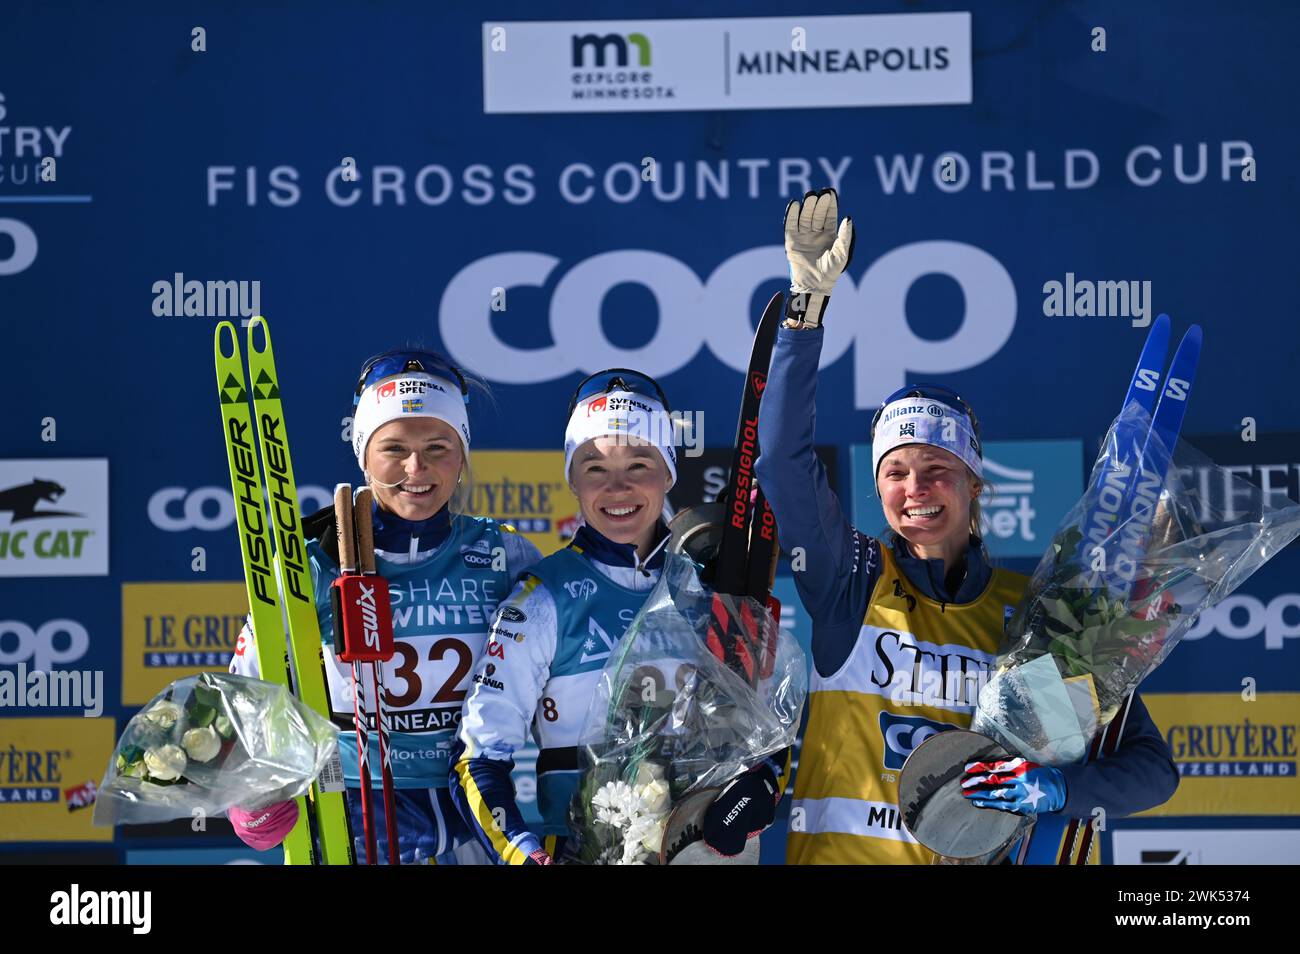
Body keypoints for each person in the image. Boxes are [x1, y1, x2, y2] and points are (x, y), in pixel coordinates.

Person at [756, 189, 1180, 864]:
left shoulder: (1029, 616)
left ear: (975, 482)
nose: (916, 489)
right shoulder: (852, 583)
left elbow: (1152, 770)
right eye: (895, 472)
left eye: (937, 468)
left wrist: (1060, 789)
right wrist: (804, 309)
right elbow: (779, 460)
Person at [450, 370, 785, 864]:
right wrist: (523, 853)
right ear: (571, 478)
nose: (618, 487)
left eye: (639, 464)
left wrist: (757, 791)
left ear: (669, 471)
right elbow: (479, 759)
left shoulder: (712, 589)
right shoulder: (543, 599)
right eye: (595, 468)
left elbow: (770, 730)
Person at [227, 349, 542, 864]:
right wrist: (250, 798)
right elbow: (245, 694)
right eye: (393, 448)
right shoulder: (313, 564)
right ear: (363, 455)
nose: (415, 469)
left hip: (473, 820)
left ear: (462, 455)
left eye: (438, 447)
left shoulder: (503, 554)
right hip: (350, 816)